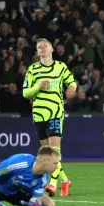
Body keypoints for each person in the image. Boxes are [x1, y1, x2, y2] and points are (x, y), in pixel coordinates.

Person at [23, 38, 77, 197]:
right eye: (39, 47)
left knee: (54, 151)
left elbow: (72, 82)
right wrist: (37, 86)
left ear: (52, 49)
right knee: (46, 154)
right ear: (37, 51)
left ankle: (53, 184)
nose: (42, 48)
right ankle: (65, 180)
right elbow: (25, 92)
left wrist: (72, 88)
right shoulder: (32, 69)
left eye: (44, 46)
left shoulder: (61, 67)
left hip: (55, 112)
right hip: (38, 114)